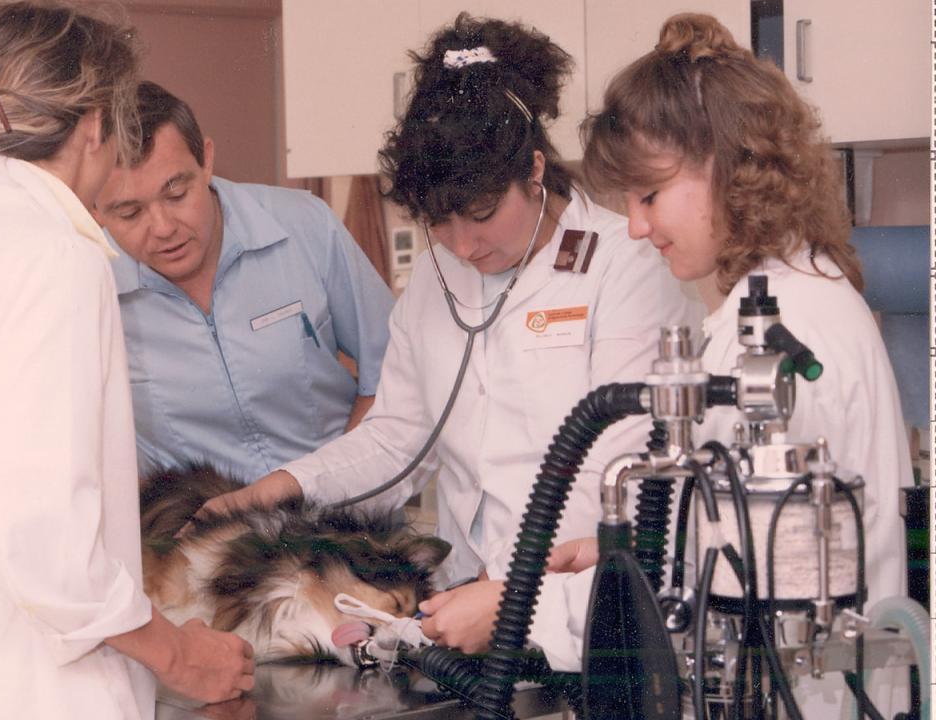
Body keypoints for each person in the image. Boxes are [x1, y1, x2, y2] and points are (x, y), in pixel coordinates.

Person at [199, 13, 697, 671]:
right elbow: (398, 439)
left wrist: (519, 596)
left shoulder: (623, 267)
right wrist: (277, 490)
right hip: (469, 614)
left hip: (588, 617)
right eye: (438, 222)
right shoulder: (435, 289)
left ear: (536, 170)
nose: (463, 244)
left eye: (483, 214)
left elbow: (619, 470)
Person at [0, 5, 253, 719]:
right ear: (98, 123)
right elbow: (49, 544)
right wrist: (180, 656)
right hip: (32, 691)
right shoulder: (54, 260)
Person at [582, 13, 908, 714]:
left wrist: (524, 611)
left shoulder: (782, 333)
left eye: (649, 196)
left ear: (728, 170)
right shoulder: (791, 296)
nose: (636, 228)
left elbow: (733, 586)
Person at [95, 82, 395, 482]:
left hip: (340, 520)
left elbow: (394, 374)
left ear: (207, 161)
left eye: (177, 193)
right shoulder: (90, 286)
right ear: (95, 211)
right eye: (130, 213)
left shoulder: (304, 225)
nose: (163, 228)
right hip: (203, 537)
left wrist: (334, 485)